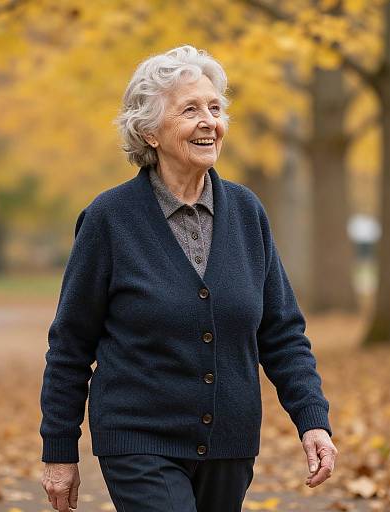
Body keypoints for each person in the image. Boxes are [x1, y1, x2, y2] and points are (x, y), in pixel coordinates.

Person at [40, 45, 338, 512]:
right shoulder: (109, 218)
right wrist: (59, 452)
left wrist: (312, 420)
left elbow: (281, 333)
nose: (209, 121)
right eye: (190, 110)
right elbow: (71, 345)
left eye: (215, 108)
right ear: (150, 132)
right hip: (139, 439)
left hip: (229, 443)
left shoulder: (246, 212)